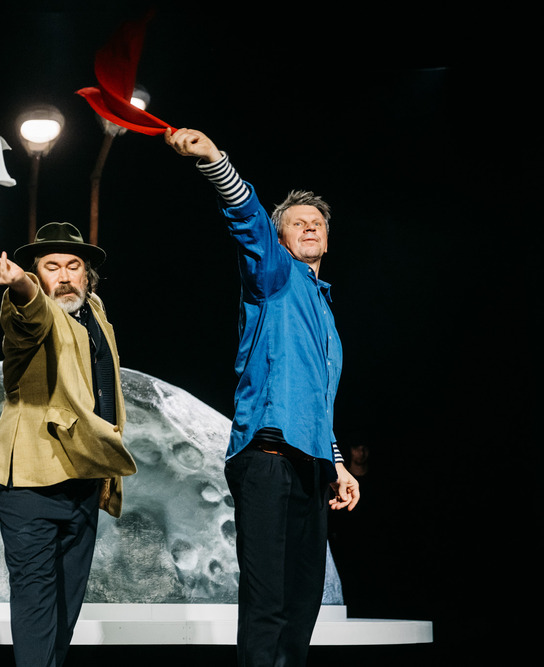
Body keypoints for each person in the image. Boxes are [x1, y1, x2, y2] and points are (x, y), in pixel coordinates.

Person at [164, 129, 360, 667]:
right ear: (280, 239)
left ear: (328, 239)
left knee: (302, 605)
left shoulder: (326, 315)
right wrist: (214, 161)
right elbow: (247, 218)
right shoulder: (274, 277)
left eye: (317, 222)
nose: (310, 225)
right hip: (268, 459)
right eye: (297, 222)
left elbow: (317, 403)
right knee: (268, 604)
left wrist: (338, 463)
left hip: (312, 468)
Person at [0, 222, 137, 667]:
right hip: (32, 481)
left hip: (83, 476)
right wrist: (19, 283)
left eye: (73, 266)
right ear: (37, 274)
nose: (64, 277)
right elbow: (31, 312)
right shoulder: (31, 311)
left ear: (87, 275)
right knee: (36, 604)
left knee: (66, 609)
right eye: (51, 267)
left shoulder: (94, 311)